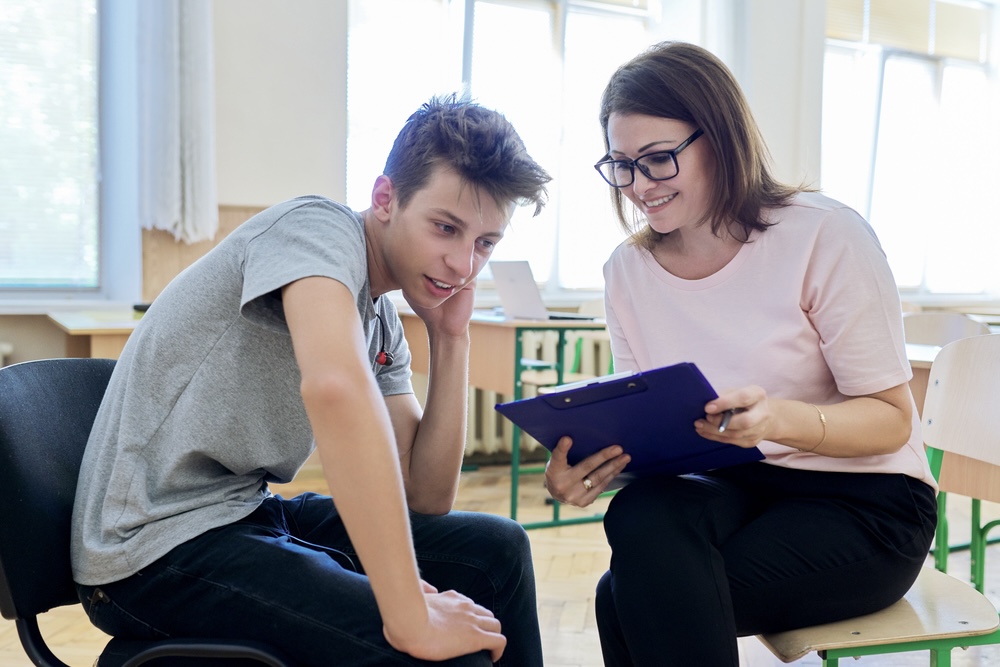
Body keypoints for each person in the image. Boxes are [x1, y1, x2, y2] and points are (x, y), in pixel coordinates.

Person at [70, 95, 552, 667]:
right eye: (445, 228)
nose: (463, 264)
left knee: (496, 551)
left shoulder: (380, 318)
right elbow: (335, 388)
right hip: (151, 548)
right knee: (441, 656)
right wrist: (408, 616)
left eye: (484, 244)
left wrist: (451, 339)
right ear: (385, 199)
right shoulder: (316, 228)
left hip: (244, 513)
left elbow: (426, 493)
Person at [543, 42, 938, 666]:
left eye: (658, 160)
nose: (639, 186)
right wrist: (595, 468)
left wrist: (778, 419)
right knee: (642, 509)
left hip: (865, 505)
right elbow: (653, 439)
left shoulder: (823, 235)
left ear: (721, 139)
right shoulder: (628, 271)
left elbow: (891, 420)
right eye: (621, 165)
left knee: (625, 597)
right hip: (734, 490)